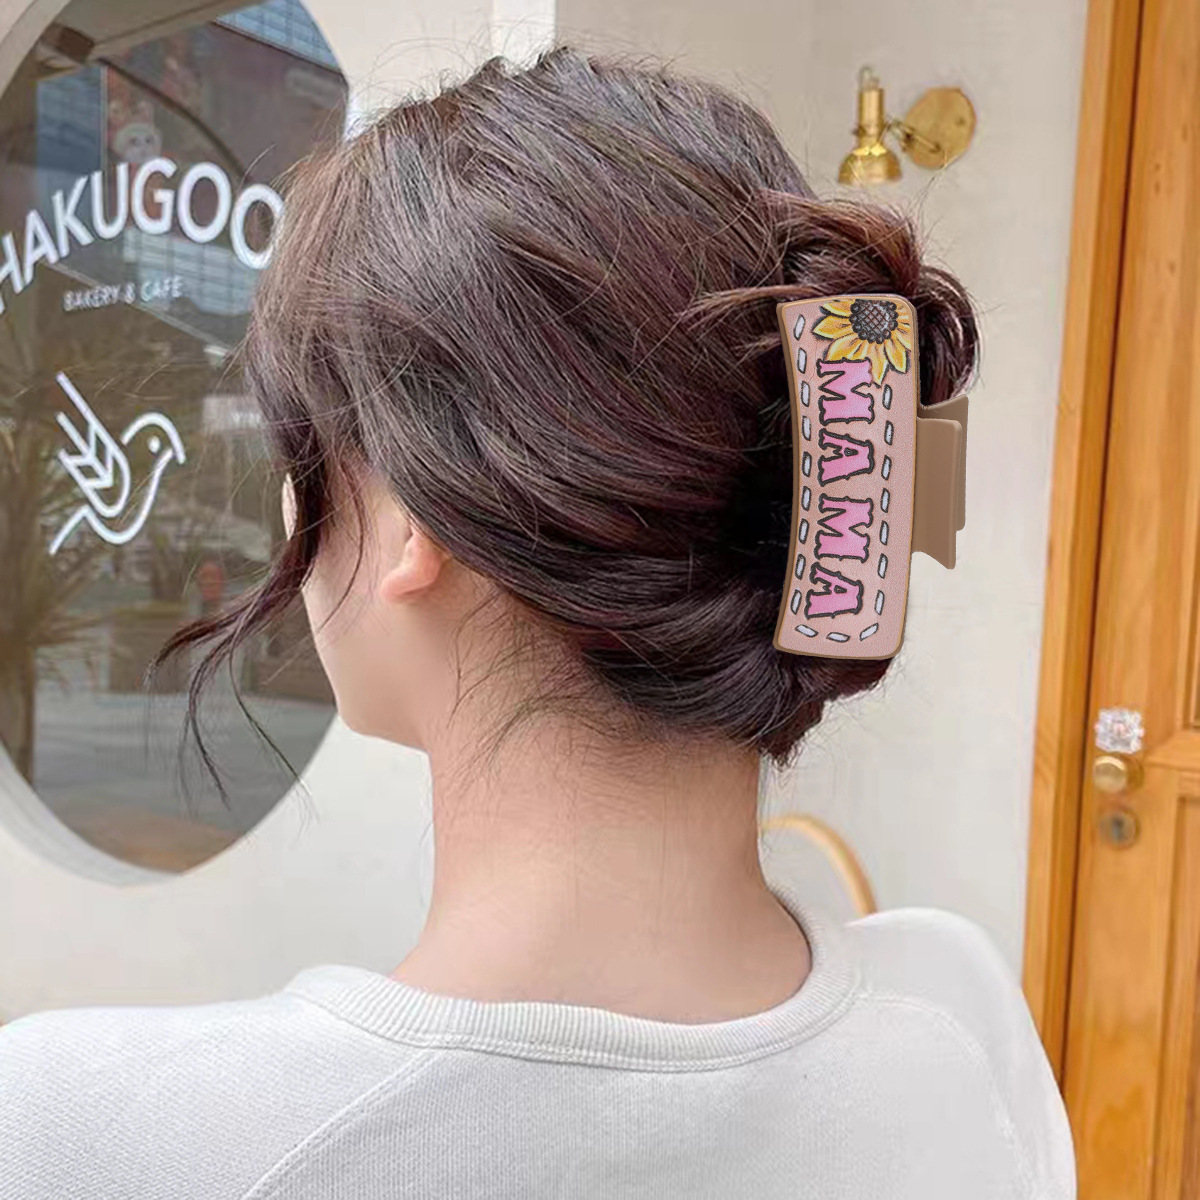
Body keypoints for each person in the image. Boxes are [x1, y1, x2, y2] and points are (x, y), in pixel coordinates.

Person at [0, 47, 1075, 1199]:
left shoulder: (75, 1135)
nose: (287, 505)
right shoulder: (963, 1022)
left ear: (408, 513)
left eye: (302, 451)